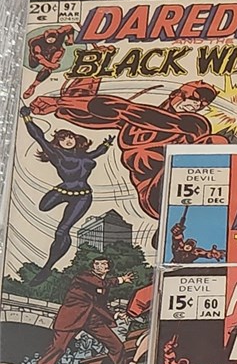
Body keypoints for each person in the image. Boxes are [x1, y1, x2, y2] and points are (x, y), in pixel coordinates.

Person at [29, 78, 224, 219]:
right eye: (193, 98)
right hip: (152, 194)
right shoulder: (133, 125)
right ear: (176, 95)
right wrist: (64, 107)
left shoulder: (195, 123)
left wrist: (60, 103)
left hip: (184, 184)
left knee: (216, 142)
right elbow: (98, 115)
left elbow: (130, 111)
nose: (195, 105)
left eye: (202, 104)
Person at [20, 105, 114, 282]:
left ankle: (48, 267)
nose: (68, 140)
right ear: (58, 142)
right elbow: (38, 136)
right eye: (63, 139)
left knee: (62, 231)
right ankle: (48, 265)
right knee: (43, 206)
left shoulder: (85, 155)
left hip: (83, 196)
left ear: (75, 138)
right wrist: (27, 119)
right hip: (63, 190)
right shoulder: (56, 153)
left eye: (70, 137)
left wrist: (106, 144)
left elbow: (97, 152)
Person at [25, 256, 133, 364]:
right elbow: (100, 283)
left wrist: (115, 315)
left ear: (108, 268)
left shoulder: (102, 285)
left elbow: (98, 305)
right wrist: (120, 279)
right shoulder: (84, 277)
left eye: (102, 264)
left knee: (116, 345)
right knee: (56, 350)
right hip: (71, 319)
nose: (98, 266)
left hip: (92, 319)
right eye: (96, 263)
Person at [23, 25, 74, 99]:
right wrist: (50, 65)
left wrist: (70, 39)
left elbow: (69, 27)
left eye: (53, 38)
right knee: (33, 65)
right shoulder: (36, 42)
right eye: (49, 38)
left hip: (55, 51)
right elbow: (38, 56)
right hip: (39, 55)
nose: (51, 40)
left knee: (48, 69)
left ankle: (33, 86)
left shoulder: (60, 33)